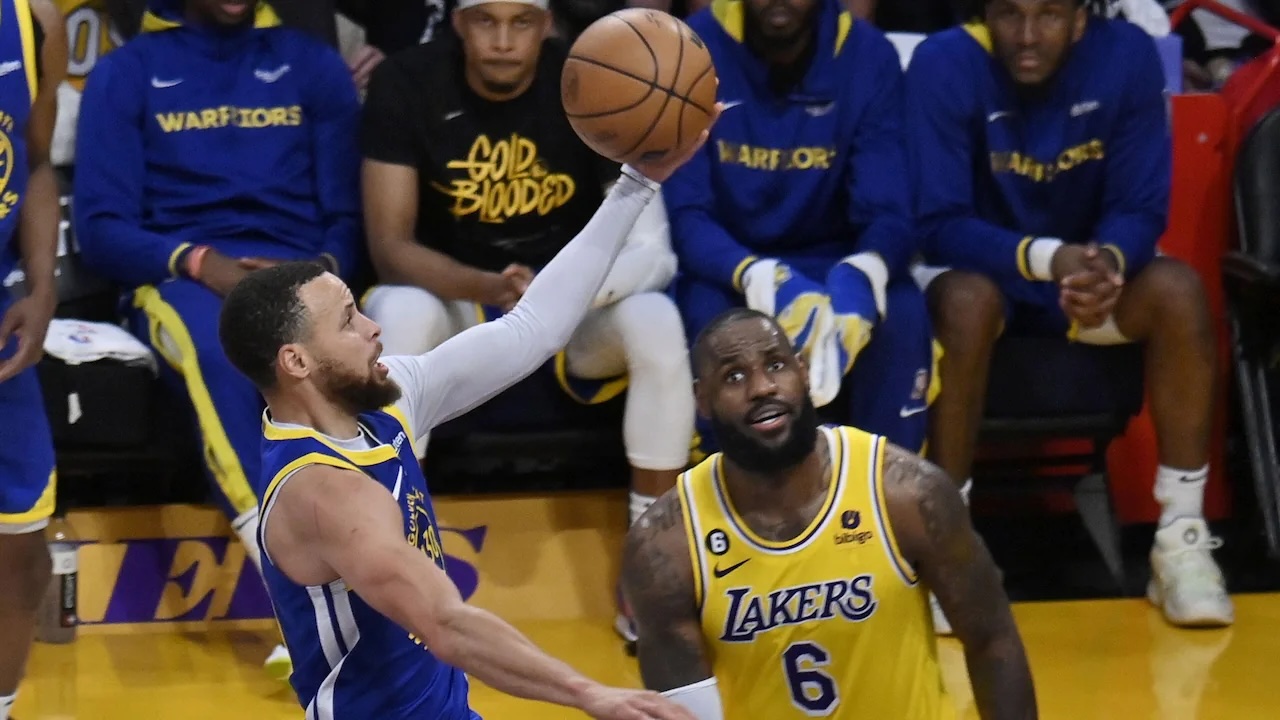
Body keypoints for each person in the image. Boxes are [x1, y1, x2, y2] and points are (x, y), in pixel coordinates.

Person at [216, 123, 714, 718]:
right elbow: (447, 624)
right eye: (349, 321)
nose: (372, 328)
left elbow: (532, 329)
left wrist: (636, 185)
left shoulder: (380, 404)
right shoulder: (325, 494)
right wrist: (593, 693)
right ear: (295, 362)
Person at [359, 0, 696, 644]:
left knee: (655, 319)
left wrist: (561, 295)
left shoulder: (596, 78)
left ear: (548, 26)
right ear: (458, 24)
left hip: (569, 313)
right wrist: (489, 285)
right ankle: (396, 559)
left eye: (522, 23)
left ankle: (652, 567)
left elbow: (654, 253)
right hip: (456, 299)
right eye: (486, 21)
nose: (504, 42)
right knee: (398, 309)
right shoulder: (407, 80)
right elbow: (389, 247)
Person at [905, 0, 1234, 629]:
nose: (1027, 36)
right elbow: (937, 222)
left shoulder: (1128, 56)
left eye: (1049, 15)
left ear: (1082, 17)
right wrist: (1046, 258)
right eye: (1009, 14)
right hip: (988, 282)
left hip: (1080, 287)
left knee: (1177, 291)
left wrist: (1106, 265)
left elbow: (1141, 206)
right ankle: (950, 545)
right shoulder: (943, 62)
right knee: (966, 302)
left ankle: (1181, 539)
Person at [73, 0, 364, 678]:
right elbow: (103, 227)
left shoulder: (313, 65)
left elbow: (347, 216)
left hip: (301, 268)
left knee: (365, 349)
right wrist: (203, 264)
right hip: (184, 277)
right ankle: (291, 581)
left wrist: (317, 271)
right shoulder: (128, 71)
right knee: (222, 352)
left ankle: (368, 566)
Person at [620, 308, 1037, 720]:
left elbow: (992, 640)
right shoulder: (665, 545)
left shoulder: (907, 494)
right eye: (733, 376)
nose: (762, 387)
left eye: (776, 365)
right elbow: (685, 712)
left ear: (803, 372)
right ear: (702, 401)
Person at [664, 0, 938, 462]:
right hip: (728, 263)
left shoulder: (869, 55)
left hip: (836, 258)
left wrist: (865, 271)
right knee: (709, 319)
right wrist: (756, 275)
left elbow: (889, 211)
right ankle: (727, 505)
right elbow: (689, 216)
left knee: (904, 315)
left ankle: (892, 505)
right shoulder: (689, 48)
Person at [0, 2, 66, 719]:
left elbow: (38, 158)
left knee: (19, 550)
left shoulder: (31, 19)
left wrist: (43, 286)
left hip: (1, 312)